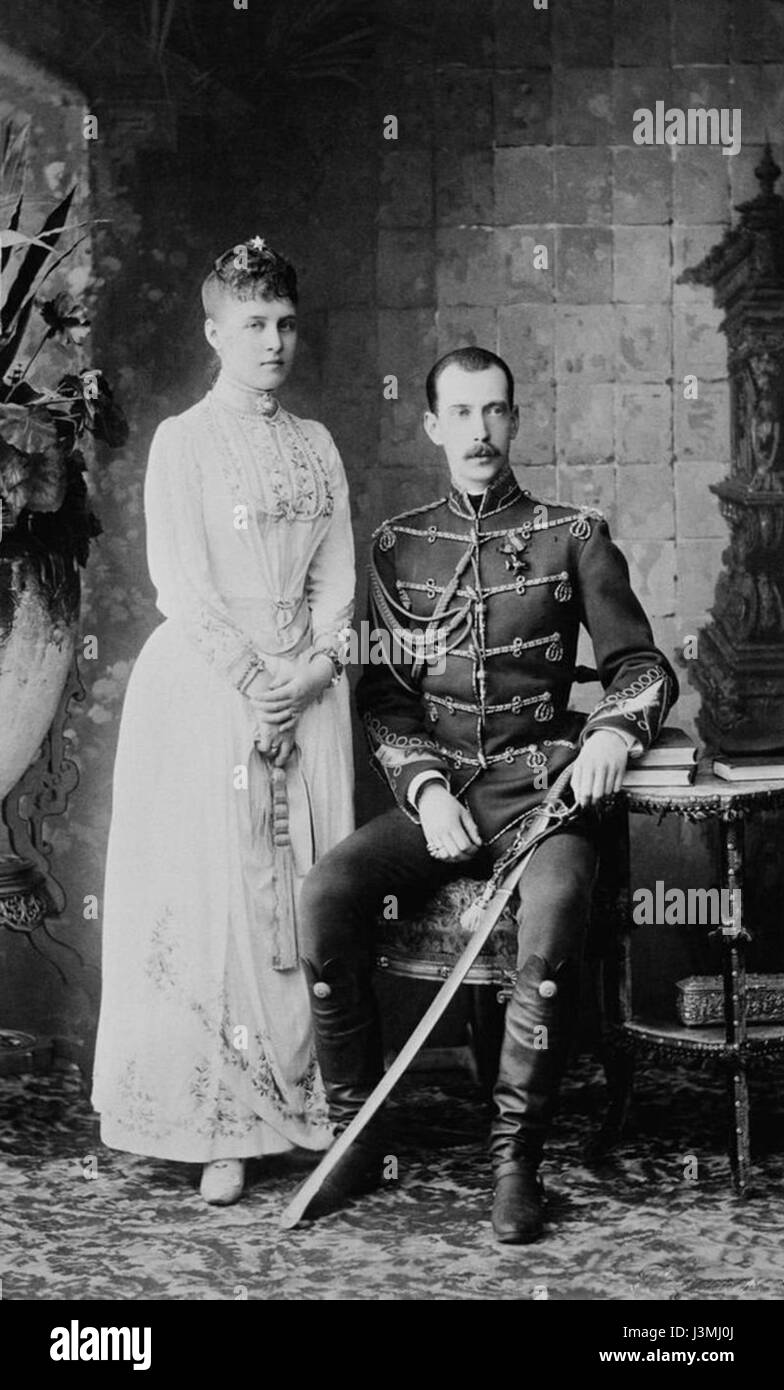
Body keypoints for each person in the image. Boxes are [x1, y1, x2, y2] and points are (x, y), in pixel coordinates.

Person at [296, 346, 678, 1243]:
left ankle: (516, 1162)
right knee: (324, 900)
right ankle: (357, 1134)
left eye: (495, 411)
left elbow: (643, 667)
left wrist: (613, 733)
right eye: (461, 414)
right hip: (444, 801)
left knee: (548, 936)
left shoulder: (573, 535)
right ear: (432, 425)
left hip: (546, 796)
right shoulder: (398, 545)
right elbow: (386, 703)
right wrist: (426, 793)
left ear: (515, 419)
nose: (480, 431)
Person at [92, 238, 355, 1205]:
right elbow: (181, 585)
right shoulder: (183, 442)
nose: (275, 342)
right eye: (254, 326)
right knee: (219, 905)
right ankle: (221, 1128)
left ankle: (307, 1107)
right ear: (214, 333)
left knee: (299, 896)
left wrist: (313, 670)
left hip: (310, 694)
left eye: (285, 324)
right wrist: (257, 681)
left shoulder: (318, 443)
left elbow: (340, 583)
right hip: (209, 690)